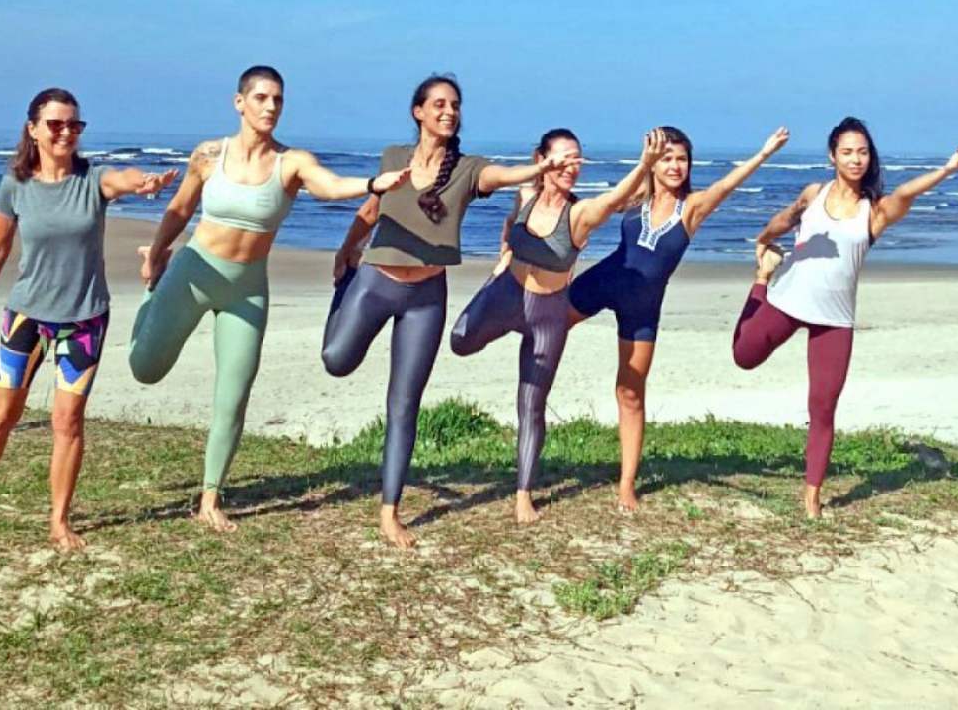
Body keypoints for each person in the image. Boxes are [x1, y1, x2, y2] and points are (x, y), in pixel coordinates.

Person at [129, 66, 410, 532]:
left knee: (233, 394)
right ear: (239, 102)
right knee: (145, 370)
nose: (270, 107)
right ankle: (149, 301)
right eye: (260, 97)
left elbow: (328, 186)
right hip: (193, 272)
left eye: (278, 99)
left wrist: (372, 185)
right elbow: (180, 209)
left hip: (247, 289)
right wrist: (155, 256)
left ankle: (210, 496)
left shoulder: (291, 162)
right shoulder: (208, 154)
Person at [321, 75, 583, 548]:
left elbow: (501, 177)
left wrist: (540, 168)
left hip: (425, 299)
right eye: (438, 104)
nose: (448, 111)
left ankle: (390, 511)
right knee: (336, 360)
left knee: (403, 404)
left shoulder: (467, 168)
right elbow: (369, 211)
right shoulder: (392, 158)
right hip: (375, 281)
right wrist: (346, 253)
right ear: (417, 110)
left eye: (455, 105)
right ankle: (342, 294)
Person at [0, 88, 178, 551]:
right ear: (33, 129)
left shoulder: (91, 179)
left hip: (84, 318)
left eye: (75, 125)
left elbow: (122, 178)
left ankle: (58, 520)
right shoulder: (16, 183)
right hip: (26, 317)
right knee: (3, 414)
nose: (66, 133)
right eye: (56, 124)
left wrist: (145, 183)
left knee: (68, 420)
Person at [731, 118, 958, 519]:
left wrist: (949, 169)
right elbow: (786, 218)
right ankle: (760, 280)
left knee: (823, 407)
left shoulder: (874, 212)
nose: (855, 159)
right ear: (832, 155)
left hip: (835, 319)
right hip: (787, 297)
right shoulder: (814, 193)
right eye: (847, 151)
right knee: (744, 356)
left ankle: (812, 497)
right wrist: (762, 243)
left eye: (862, 151)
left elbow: (907, 192)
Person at [450, 128, 668, 524]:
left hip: (547, 313)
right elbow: (511, 226)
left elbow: (615, 197)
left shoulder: (579, 213)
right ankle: (499, 318)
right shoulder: (525, 196)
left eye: (578, 159)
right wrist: (502, 258)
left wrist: (645, 165)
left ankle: (523, 494)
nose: (572, 167)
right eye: (564, 157)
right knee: (459, 341)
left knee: (530, 406)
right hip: (505, 294)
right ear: (542, 159)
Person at [566, 126, 790, 509]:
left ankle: (626, 485)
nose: (674, 166)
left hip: (642, 309)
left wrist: (763, 153)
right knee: (542, 329)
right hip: (602, 281)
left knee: (631, 392)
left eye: (681, 159)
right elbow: (588, 209)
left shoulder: (693, 208)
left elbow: (726, 185)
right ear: (653, 162)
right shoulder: (636, 195)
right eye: (667, 158)